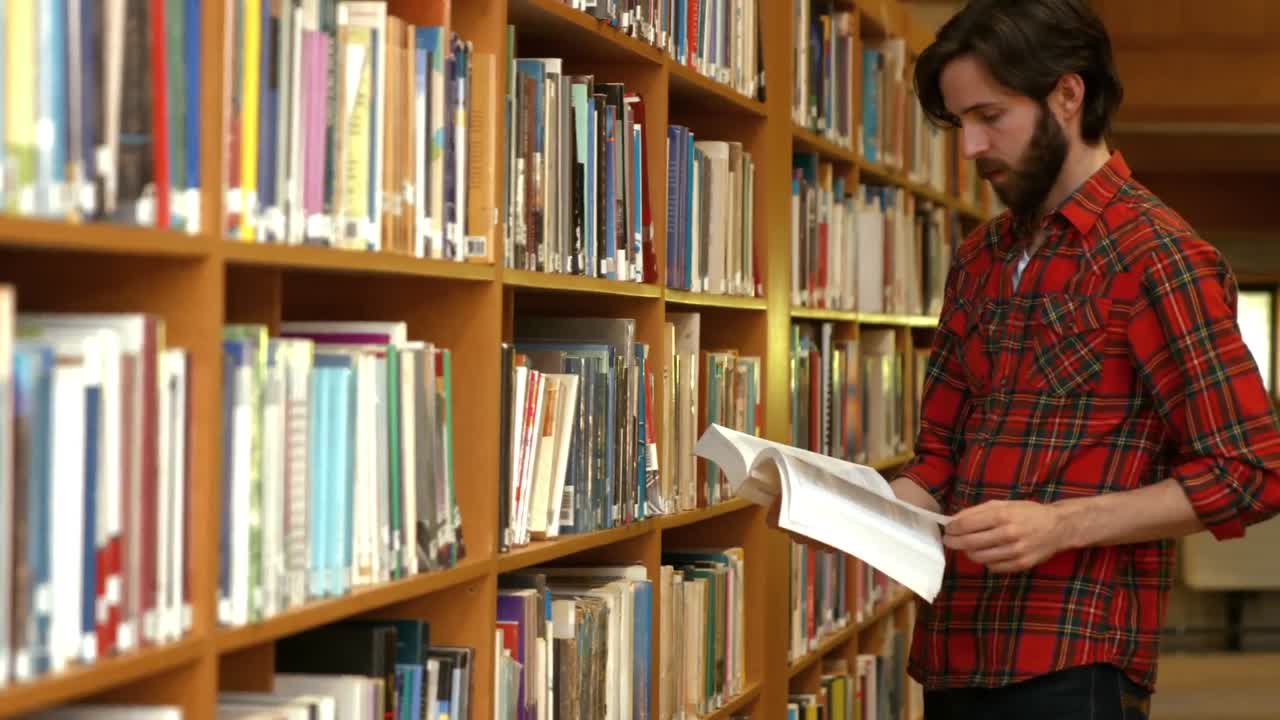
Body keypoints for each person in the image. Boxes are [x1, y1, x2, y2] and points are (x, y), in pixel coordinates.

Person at [846, 0, 1280, 717]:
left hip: (1074, 661)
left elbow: (1250, 471)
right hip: (952, 649)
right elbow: (940, 460)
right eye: (959, 123)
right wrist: (853, 511)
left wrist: (1061, 525)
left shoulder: (1159, 257)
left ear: (1068, 95)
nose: (970, 147)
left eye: (990, 117)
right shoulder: (979, 257)